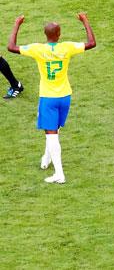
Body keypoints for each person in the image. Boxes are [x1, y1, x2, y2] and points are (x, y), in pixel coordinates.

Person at [7, 13, 96, 184]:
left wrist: (17, 24)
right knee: (53, 129)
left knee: (51, 135)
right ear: (59, 35)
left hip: (48, 98)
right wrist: (85, 20)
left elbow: (11, 47)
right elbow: (92, 43)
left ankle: (59, 174)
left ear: (45, 35)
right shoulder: (67, 48)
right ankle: (46, 158)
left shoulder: (38, 49)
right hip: (65, 96)